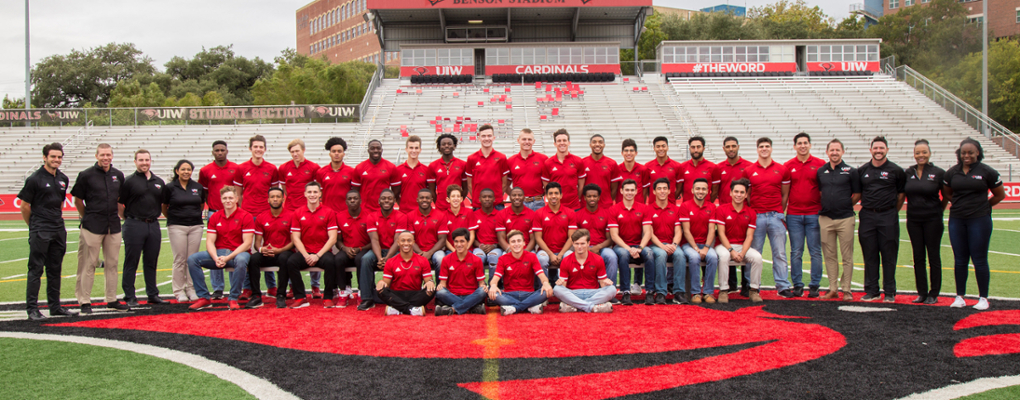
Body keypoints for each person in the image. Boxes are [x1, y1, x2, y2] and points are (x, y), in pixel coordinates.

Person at [945, 138, 1005, 310]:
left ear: (978, 152)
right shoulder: (952, 172)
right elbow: (947, 192)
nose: (967, 155)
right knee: (960, 259)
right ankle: (960, 296)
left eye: (970, 152)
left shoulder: (987, 171)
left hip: (979, 220)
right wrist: (960, 204)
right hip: (957, 219)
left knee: (979, 259)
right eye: (964, 152)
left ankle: (983, 298)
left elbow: (1000, 195)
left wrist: (983, 206)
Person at [20, 142, 78, 320]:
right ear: (45, 157)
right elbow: (24, 206)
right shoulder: (35, 179)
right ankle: (32, 309)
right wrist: (35, 225)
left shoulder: (63, 178)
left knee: (55, 268)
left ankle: (55, 306)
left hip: (58, 227)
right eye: (53, 156)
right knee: (36, 269)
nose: (56, 160)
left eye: (59, 157)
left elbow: (60, 202)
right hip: (40, 228)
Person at [71, 143, 130, 313]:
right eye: (102, 155)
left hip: (113, 224)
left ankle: (111, 298)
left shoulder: (118, 175)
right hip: (92, 225)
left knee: (112, 263)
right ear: (96, 156)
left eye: (108, 155)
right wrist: (86, 217)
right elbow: (78, 200)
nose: (106, 158)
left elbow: (119, 200)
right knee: (88, 264)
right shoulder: (86, 175)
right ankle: (84, 300)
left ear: (112, 156)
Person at [186, 186, 254, 311]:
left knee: (241, 260)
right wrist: (215, 258)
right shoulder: (215, 217)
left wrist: (228, 257)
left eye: (230, 198)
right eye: (225, 198)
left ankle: (233, 298)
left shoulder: (246, 216)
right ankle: (204, 297)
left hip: (238, 253)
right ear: (221, 200)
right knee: (192, 259)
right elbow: (210, 241)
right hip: (219, 253)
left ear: (236, 199)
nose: (228, 201)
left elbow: (247, 244)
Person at [857, 136, 907, 303]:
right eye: (875, 148)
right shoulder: (862, 170)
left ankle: (890, 291)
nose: (878, 151)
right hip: (868, 215)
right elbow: (859, 193)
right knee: (869, 254)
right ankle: (872, 290)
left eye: (881, 148)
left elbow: (901, 195)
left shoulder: (896, 170)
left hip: (888, 216)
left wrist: (891, 211)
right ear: (871, 150)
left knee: (889, 254)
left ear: (887, 150)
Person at [745, 137, 794, 298]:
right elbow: (748, 195)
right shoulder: (749, 170)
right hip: (757, 216)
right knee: (754, 253)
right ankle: (753, 286)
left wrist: (780, 211)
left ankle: (782, 285)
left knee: (779, 252)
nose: (764, 149)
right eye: (761, 146)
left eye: (767, 146)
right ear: (757, 149)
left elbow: (785, 194)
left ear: (771, 148)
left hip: (775, 215)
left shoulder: (781, 169)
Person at [235, 135, 280, 297]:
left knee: (267, 248)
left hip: (266, 215)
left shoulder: (271, 169)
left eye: (261, 147)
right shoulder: (241, 169)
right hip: (247, 216)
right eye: (255, 147)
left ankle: (271, 286)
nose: (258, 149)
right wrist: (241, 214)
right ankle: (248, 287)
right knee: (248, 251)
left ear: (265, 149)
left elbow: (276, 195)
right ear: (250, 149)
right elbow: (238, 195)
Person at [904, 139, 949, 305]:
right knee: (918, 257)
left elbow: (946, 196)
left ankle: (934, 293)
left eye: (924, 152)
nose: (921, 155)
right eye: (918, 153)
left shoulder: (938, 173)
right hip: (914, 220)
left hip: (933, 220)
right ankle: (922, 292)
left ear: (929, 154)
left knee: (933, 256)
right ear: (914, 154)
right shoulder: (908, 172)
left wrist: (938, 210)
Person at [119, 149, 165, 307]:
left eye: (147, 160)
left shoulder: (158, 182)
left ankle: (152, 294)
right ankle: (129, 296)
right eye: (141, 160)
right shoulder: (129, 181)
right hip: (134, 224)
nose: (144, 163)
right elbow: (119, 203)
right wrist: (129, 219)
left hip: (153, 224)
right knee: (131, 261)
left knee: (151, 261)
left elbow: (162, 203)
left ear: (150, 161)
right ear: (135, 162)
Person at [816, 139, 861, 301]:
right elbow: (821, 192)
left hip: (845, 218)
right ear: (827, 152)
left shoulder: (851, 171)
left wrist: (845, 205)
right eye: (831, 150)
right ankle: (833, 288)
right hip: (826, 218)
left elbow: (857, 194)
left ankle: (847, 289)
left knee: (847, 255)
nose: (834, 153)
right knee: (829, 255)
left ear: (842, 151)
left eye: (837, 150)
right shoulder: (821, 171)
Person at [784, 133, 826, 298]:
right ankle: (798, 285)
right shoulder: (788, 166)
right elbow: (785, 191)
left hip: (814, 214)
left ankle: (814, 285)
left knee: (815, 251)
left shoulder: (820, 164)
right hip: (794, 215)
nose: (802, 146)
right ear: (794, 146)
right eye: (799, 143)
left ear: (810, 145)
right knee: (796, 251)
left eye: (805, 143)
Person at [284, 182, 339, 309]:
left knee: (331, 262)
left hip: (322, 253)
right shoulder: (298, 213)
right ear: (305, 194)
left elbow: (333, 238)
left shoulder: (329, 212)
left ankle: (328, 297)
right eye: (309, 192)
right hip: (305, 252)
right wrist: (306, 255)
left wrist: (317, 255)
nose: (312, 195)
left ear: (320, 194)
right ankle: (300, 297)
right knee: (291, 262)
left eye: (315, 192)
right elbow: (295, 238)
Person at [280, 139, 322, 296]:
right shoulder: (284, 168)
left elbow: (315, 190)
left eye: (297, 151)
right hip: (291, 211)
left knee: (314, 244)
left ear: (303, 150)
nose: (295, 154)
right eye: (292, 152)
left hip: (309, 211)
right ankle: (293, 285)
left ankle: (315, 285)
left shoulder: (313, 168)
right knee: (293, 247)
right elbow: (285, 188)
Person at [200, 141, 241, 299]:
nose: (219, 152)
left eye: (222, 150)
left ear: (227, 151)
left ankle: (234, 287)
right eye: (216, 150)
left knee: (233, 247)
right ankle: (217, 288)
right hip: (214, 213)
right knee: (215, 249)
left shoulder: (235, 168)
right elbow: (204, 192)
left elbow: (238, 190)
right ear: (213, 152)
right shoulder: (205, 170)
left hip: (233, 213)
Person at [712, 179, 764, 303]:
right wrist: (731, 251)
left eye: (742, 192)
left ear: (746, 194)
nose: (738, 195)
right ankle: (723, 290)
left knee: (757, 257)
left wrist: (742, 253)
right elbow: (721, 233)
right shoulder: (721, 209)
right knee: (724, 256)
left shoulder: (751, 212)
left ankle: (754, 290)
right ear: (730, 193)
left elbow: (749, 236)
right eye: (736, 191)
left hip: (741, 246)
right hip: (723, 246)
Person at [162, 160, 206, 303]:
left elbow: (201, 205)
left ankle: (191, 289)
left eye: (188, 169)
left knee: (192, 259)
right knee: (180, 259)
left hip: (195, 226)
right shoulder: (169, 187)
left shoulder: (197, 187)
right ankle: (179, 291)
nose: (186, 172)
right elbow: (164, 206)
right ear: (177, 171)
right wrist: (175, 218)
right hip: (177, 226)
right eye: (183, 169)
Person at [358, 189, 408, 311]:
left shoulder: (401, 216)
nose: (386, 200)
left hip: (395, 250)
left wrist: (388, 258)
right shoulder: (371, 216)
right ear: (379, 201)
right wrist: (380, 258)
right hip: (378, 250)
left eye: (389, 198)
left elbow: (398, 241)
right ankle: (367, 298)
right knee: (365, 259)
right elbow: (374, 240)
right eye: (384, 198)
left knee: (403, 259)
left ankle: (399, 295)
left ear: (394, 201)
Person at [608, 179, 655, 306]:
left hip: (639, 245)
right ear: (621, 191)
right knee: (623, 255)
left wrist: (639, 248)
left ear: (636, 191)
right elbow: (614, 235)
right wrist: (629, 249)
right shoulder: (614, 209)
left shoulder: (644, 208)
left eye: (632, 190)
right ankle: (625, 292)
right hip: (621, 245)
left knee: (649, 253)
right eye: (627, 190)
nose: (629, 192)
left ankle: (650, 291)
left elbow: (648, 233)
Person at [248, 187, 294, 309]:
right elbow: (257, 243)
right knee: (253, 259)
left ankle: (281, 295)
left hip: (284, 251)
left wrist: (280, 250)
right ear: (268, 199)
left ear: (283, 199)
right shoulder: (261, 217)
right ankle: (256, 296)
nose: (275, 199)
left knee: (285, 259)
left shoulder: (291, 216)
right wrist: (262, 250)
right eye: (272, 197)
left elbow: (294, 242)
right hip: (268, 252)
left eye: (278, 196)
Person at [489, 230, 554, 315]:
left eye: (519, 241)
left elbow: (542, 276)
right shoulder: (503, 259)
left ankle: (514, 308)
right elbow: (494, 279)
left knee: (547, 291)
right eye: (513, 241)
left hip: (529, 294)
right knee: (493, 294)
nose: (516, 244)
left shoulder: (532, 256)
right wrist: (493, 285)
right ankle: (529, 307)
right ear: (509, 244)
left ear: (524, 243)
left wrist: (545, 283)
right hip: (509, 294)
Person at [554, 229, 616, 313]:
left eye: (582, 243)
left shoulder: (598, 259)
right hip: (573, 293)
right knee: (557, 289)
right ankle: (591, 307)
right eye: (577, 243)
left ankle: (576, 306)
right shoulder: (566, 260)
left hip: (593, 292)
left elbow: (602, 284)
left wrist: (606, 283)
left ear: (588, 243)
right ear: (573, 244)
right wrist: (560, 282)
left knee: (612, 289)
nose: (579, 247)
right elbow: (563, 287)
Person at [377, 231, 436, 316]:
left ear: (413, 242)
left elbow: (428, 281)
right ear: (398, 242)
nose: (406, 243)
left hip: (415, 294)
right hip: (396, 294)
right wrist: (382, 282)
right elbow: (386, 284)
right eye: (403, 240)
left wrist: (430, 282)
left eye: (409, 240)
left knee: (432, 289)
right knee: (380, 289)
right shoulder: (390, 261)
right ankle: (412, 309)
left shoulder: (423, 260)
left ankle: (397, 309)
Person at [679, 178, 719, 303]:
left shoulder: (712, 207)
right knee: (695, 257)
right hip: (688, 245)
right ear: (692, 190)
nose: (700, 191)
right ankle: (695, 292)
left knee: (713, 257)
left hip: (705, 244)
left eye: (703, 189)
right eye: (698, 188)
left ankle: (708, 292)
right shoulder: (685, 206)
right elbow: (686, 231)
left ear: (708, 191)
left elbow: (712, 230)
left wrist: (706, 247)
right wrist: (696, 249)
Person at [647, 178, 685, 305]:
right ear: (654, 192)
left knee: (680, 254)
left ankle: (678, 292)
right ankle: (661, 292)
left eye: (665, 188)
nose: (662, 191)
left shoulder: (675, 209)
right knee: (661, 254)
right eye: (659, 188)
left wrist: (674, 245)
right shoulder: (648, 209)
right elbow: (649, 233)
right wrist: (662, 246)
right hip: (655, 245)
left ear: (669, 191)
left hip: (671, 243)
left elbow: (678, 231)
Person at [574, 184, 619, 286]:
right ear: (584, 198)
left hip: (602, 247)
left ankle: (610, 290)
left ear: (599, 197)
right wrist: (586, 248)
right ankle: (580, 288)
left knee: (611, 256)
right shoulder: (577, 215)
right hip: (583, 248)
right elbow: (575, 238)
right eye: (589, 196)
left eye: (594, 196)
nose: (592, 198)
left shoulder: (607, 214)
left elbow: (610, 239)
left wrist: (598, 247)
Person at [435, 228, 488, 315]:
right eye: (456, 241)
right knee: (440, 292)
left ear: (468, 242)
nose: (459, 244)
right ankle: (472, 307)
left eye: (462, 241)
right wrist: (440, 286)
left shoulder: (477, 260)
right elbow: (443, 284)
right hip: (452, 294)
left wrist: (483, 287)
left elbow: (481, 283)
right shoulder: (446, 259)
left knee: (483, 291)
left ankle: (452, 309)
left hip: (471, 294)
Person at [334, 190, 372, 308]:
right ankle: (343, 292)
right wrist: (345, 249)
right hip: (347, 249)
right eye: (350, 199)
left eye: (355, 198)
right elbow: (338, 240)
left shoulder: (369, 216)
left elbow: (374, 241)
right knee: (338, 259)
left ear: (360, 201)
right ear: (346, 202)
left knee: (361, 259)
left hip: (363, 249)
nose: (352, 201)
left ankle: (362, 292)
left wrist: (360, 249)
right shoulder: (340, 216)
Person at [532, 183, 577, 282]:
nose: (553, 196)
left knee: (571, 257)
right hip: (545, 251)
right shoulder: (539, 213)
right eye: (550, 193)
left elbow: (572, 237)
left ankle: (569, 289)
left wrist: (560, 254)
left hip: (564, 250)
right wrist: (551, 254)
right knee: (541, 259)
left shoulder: (570, 213)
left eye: (556, 193)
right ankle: (543, 290)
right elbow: (538, 238)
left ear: (561, 195)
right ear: (546, 196)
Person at [465, 125, 510, 209]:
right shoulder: (471, 158)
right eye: (483, 136)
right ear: (479, 138)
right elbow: (469, 184)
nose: (486, 138)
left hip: (497, 204)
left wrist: (496, 198)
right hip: (478, 204)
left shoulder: (502, 157)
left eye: (489, 135)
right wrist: (477, 199)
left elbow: (504, 183)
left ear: (493, 137)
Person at [406, 189, 449, 273]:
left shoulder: (440, 215)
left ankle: (440, 285)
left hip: (435, 251)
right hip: (415, 251)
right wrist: (421, 254)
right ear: (417, 199)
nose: (424, 200)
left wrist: (429, 253)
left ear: (431, 200)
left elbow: (442, 240)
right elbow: (410, 239)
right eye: (422, 198)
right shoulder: (410, 216)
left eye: (427, 198)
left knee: (440, 258)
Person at [542, 129, 586, 210]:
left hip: (574, 206)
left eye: (564, 140)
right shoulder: (548, 163)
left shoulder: (578, 161)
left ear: (569, 143)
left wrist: (576, 198)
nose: (562, 143)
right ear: (555, 144)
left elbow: (581, 186)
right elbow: (546, 187)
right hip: (556, 207)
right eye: (559, 141)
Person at [353, 139, 399, 213]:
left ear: (382, 150)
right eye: (372, 148)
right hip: (364, 211)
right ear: (368, 150)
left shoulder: (391, 167)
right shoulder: (359, 168)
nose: (375, 150)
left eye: (378, 148)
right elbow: (355, 191)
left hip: (383, 211)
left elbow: (396, 191)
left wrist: (387, 204)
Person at [506, 129, 548, 211]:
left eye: (529, 139)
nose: (527, 142)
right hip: (519, 203)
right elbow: (506, 185)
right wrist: (514, 196)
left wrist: (541, 195)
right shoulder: (511, 161)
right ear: (518, 140)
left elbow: (549, 184)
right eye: (524, 139)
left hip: (538, 202)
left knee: (538, 224)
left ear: (534, 141)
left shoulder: (543, 159)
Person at [427, 133, 468, 212]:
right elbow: (431, 190)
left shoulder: (463, 164)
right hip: (440, 208)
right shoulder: (432, 166)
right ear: (439, 147)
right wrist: (438, 203)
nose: (446, 146)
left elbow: (465, 189)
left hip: (458, 208)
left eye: (449, 144)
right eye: (443, 144)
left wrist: (457, 201)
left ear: (454, 146)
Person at [315, 136, 354, 217]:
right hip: (327, 213)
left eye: (339, 151)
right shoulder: (321, 172)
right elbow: (320, 194)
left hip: (346, 213)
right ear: (330, 154)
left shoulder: (351, 171)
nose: (336, 153)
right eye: (334, 151)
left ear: (343, 154)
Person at [582, 134, 620, 210]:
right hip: (586, 206)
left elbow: (614, 188)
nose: (597, 144)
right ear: (590, 145)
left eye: (600, 142)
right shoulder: (582, 163)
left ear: (604, 145)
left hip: (605, 206)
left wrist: (607, 200)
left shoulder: (612, 163)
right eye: (594, 142)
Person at [712, 136, 752, 206]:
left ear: (738, 147)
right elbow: (715, 191)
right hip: (724, 209)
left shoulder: (749, 166)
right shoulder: (718, 167)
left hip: (743, 209)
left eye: (733, 146)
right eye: (728, 147)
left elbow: (751, 191)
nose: (731, 149)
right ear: (724, 149)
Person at [496, 187, 538, 255]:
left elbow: (533, 238)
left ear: (524, 197)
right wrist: (509, 250)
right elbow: (501, 238)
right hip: (509, 250)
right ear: (510, 197)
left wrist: (525, 252)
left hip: (527, 250)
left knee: (539, 258)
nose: (517, 197)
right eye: (514, 195)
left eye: (520, 195)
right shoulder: (501, 214)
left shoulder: (532, 214)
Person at [472, 189, 503, 277]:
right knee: (478, 257)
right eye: (484, 197)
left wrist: (494, 245)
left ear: (494, 199)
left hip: (496, 247)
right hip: (479, 247)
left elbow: (503, 237)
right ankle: (480, 286)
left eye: (490, 197)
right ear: (479, 199)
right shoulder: (474, 215)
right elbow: (471, 236)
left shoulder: (500, 214)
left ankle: (493, 285)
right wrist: (480, 245)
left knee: (493, 257)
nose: (487, 199)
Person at [395, 136, 429, 212]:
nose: (414, 150)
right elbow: (396, 193)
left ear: (420, 150)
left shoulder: (426, 170)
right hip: (404, 213)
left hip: (421, 212)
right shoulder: (398, 170)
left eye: (416, 148)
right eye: (411, 148)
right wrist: (403, 205)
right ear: (406, 149)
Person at [645, 136, 683, 203]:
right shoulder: (648, 166)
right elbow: (646, 188)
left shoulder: (677, 166)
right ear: (654, 148)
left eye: (663, 146)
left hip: (670, 207)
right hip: (653, 206)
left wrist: (671, 199)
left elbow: (679, 187)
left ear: (667, 147)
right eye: (658, 146)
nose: (661, 149)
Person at [679, 136, 715, 203]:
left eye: (698, 147)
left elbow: (715, 191)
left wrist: (707, 203)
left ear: (703, 148)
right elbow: (680, 189)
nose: (696, 150)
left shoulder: (712, 167)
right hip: (687, 208)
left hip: (705, 209)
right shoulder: (682, 167)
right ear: (689, 148)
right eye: (693, 147)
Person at [444, 184, 478, 252]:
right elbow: (444, 239)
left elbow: (472, 235)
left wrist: (465, 249)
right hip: (450, 251)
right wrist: (454, 251)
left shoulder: (469, 212)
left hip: (467, 250)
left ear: (461, 199)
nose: (456, 198)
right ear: (448, 199)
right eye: (453, 196)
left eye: (458, 196)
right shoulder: (443, 215)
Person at [617, 139, 651, 204]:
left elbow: (645, 191)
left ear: (636, 153)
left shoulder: (643, 169)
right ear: (622, 153)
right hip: (621, 210)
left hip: (638, 210)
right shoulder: (617, 170)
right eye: (626, 150)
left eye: (631, 150)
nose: (629, 153)